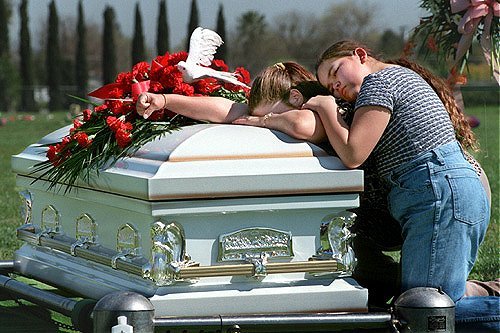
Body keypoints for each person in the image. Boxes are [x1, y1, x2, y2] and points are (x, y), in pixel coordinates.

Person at [284, 39, 498, 331]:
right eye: (330, 87)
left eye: (336, 72)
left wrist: (324, 106)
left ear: (360, 54)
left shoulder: (379, 82)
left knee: (422, 314)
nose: (336, 87)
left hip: (438, 195)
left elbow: (352, 153)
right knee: (428, 305)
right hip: (445, 193)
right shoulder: (397, 78)